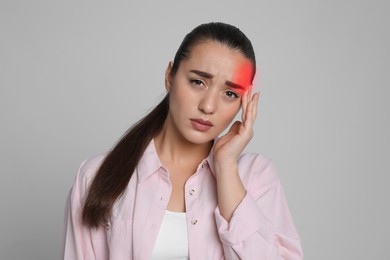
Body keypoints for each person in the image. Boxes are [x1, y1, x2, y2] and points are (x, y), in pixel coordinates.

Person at [62, 22, 303, 259]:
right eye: (198, 82)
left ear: (244, 103)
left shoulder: (256, 177)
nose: (208, 106)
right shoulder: (96, 176)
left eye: (230, 94)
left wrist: (226, 167)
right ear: (170, 76)